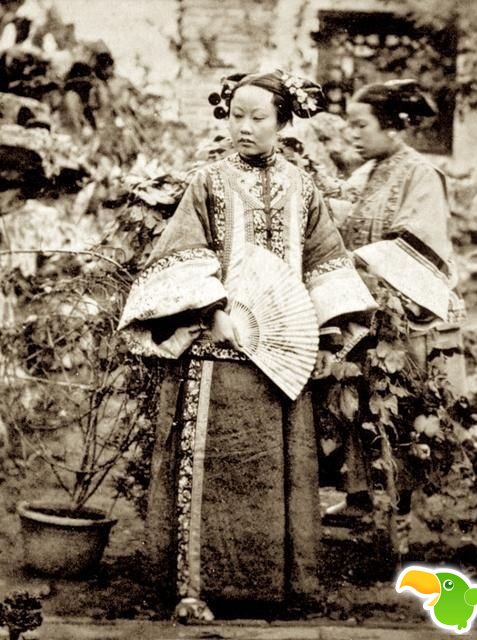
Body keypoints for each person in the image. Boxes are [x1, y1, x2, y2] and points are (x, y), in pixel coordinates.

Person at [117, 70, 376, 621]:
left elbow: (324, 262)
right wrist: (213, 311)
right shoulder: (209, 183)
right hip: (216, 352)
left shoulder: (302, 188)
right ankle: (196, 588)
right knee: (213, 467)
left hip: (283, 362)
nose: (245, 127)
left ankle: (276, 589)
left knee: (274, 473)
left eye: (259, 117)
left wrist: (325, 337)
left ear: (283, 123)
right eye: (237, 115)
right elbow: (181, 253)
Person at [322, 79, 467, 555]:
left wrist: (361, 263)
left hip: (408, 311)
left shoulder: (421, 174)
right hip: (368, 308)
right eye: (349, 125)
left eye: (361, 125)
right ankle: (362, 500)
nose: (352, 134)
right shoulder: (368, 172)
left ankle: (404, 518)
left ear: (392, 125)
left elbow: (417, 241)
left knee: (401, 408)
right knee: (358, 402)